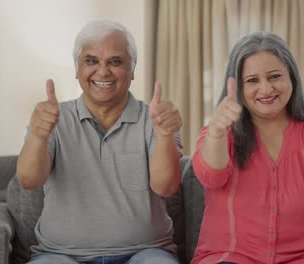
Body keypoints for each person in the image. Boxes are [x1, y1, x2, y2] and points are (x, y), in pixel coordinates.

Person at [16, 20, 182, 264]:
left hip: (146, 252)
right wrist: (39, 137)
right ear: (77, 69)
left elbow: (166, 187)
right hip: (60, 255)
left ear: (132, 70)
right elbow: (29, 181)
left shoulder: (157, 119)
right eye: (91, 61)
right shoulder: (51, 119)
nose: (103, 71)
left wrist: (164, 135)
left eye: (115, 62)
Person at [191, 32, 304, 264]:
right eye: (252, 81)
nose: (266, 89)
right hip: (231, 257)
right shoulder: (220, 131)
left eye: (274, 76)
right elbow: (211, 175)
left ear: (292, 77)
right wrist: (217, 133)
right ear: (238, 87)